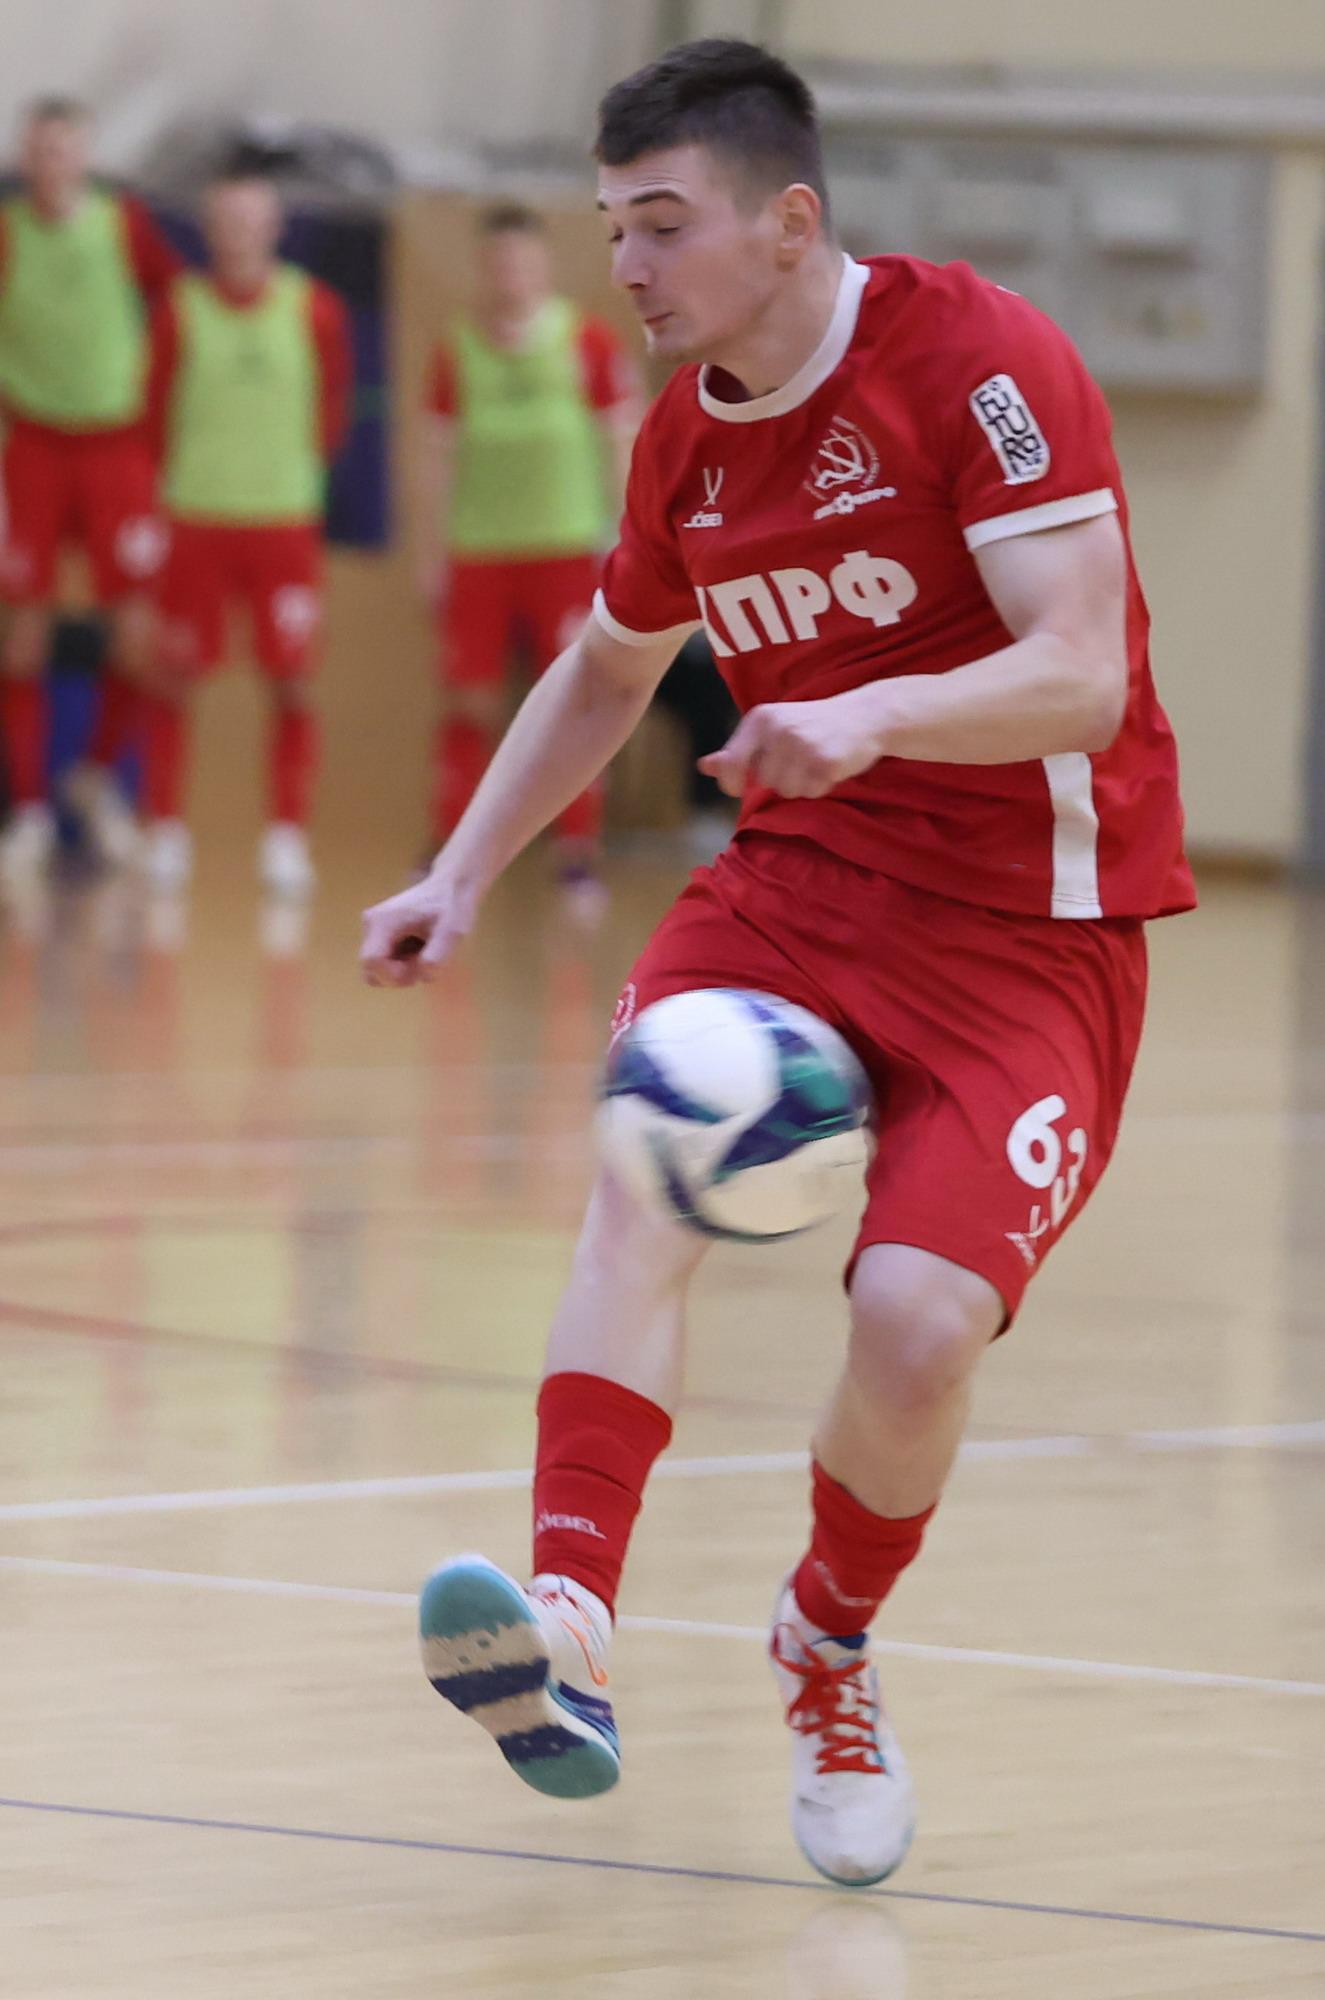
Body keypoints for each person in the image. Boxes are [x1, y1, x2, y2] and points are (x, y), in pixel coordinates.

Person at [361, 39, 1194, 1886]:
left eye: (663, 225)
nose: (628, 266)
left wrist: (873, 712)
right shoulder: (686, 440)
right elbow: (606, 671)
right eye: (611, 228)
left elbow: (1082, 671)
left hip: (1034, 933)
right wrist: (461, 870)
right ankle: (568, 1624)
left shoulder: (978, 362)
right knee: (643, 1167)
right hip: (800, 890)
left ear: (789, 222)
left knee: (916, 1327)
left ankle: (825, 1643)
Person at [417, 203, 641, 910]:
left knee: (573, 702)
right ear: (484, 269)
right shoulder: (457, 349)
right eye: (498, 262)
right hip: (479, 550)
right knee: (470, 702)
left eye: (522, 260)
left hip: (566, 548)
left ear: (542, 266)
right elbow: (434, 459)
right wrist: (431, 554)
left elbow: (620, 441)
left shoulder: (586, 340)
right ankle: (452, 850)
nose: (510, 274)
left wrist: (626, 541)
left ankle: (576, 850)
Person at [139, 167, 351, 895]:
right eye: (225, 220)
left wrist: (290, 478)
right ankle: (165, 830)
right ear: (208, 228)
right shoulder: (180, 308)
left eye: (251, 219)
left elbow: (331, 410)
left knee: (292, 681)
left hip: (281, 524)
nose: (238, 233)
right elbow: (152, 413)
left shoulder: (314, 308)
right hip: (196, 519)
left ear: (273, 227)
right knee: (173, 676)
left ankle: (286, 838)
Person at [0, 96, 180, 878]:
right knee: (23, 636)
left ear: (84, 158)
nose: (53, 165)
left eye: (65, 150)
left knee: (139, 634)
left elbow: (179, 306)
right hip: (34, 448)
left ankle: (97, 775)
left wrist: (163, 416)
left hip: (117, 447)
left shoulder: (122, 224)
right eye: (40, 151)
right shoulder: (8, 233)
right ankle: (29, 813)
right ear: (25, 160)